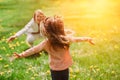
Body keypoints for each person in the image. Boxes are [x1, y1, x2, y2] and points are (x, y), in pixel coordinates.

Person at [10, 16, 94, 80]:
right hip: (65, 68)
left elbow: (34, 49)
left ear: (47, 31)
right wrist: (88, 39)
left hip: (55, 70)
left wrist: (21, 55)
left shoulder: (47, 43)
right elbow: (77, 39)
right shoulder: (65, 39)